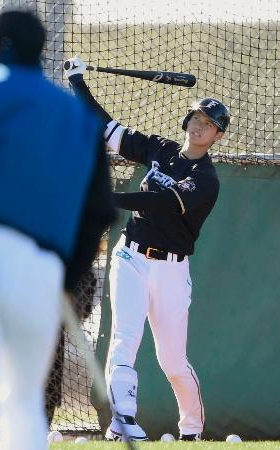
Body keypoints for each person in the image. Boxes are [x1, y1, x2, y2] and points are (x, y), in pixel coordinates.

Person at [0, 11, 115, 450]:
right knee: (23, 405)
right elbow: (100, 210)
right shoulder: (78, 117)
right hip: (39, 269)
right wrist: (69, 280)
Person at [64, 55, 230, 442]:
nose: (199, 125)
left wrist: (107, 198)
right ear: (186, 121)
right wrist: (77, 83)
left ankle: (191, 429)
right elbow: (109, 130)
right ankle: (123, 420)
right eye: (196, 118)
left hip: (172, 269)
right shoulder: (161, 149)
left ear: (218, 135)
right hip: (131, 256)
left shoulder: (206, 179)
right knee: (125, 336)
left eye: (209, 124)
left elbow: (161, 202)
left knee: (172, 361)